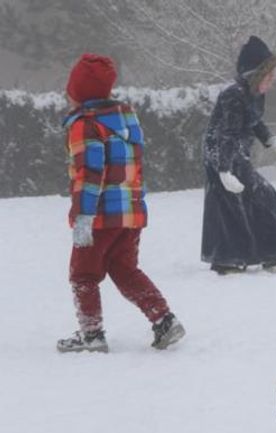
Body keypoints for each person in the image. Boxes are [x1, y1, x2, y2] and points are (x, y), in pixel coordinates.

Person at [56, 54, 186, 353]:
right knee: (125, 269)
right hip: (131, 213)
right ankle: (164, 319)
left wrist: (83, 217)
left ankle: (91, 334)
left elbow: (89, 175)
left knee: (83, 274)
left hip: (100, 216)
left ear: (79, 92)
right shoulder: (127, 119)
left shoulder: (85, 125)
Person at [201, 35, 276, 275]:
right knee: (251, 197)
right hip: (221, 151)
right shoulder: (233, 95)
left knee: (250, 198)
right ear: (255, 74)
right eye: (269, 75)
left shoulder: (253, 93)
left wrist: (270, 139)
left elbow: (253, 121)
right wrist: (224, 171)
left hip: (235, 150)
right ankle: (259, 257)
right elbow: (227, 134)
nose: (273, 80)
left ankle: (239, 258)